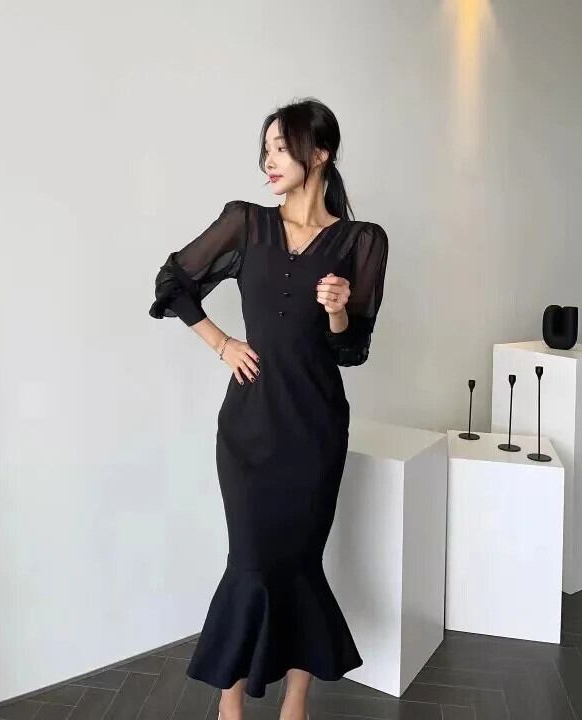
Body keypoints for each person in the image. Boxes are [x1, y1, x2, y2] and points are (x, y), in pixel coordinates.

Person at [149, 97, 389, 720]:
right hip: (249, 428)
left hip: (315, 428)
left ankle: (295, 704)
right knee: (249, 565)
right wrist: (222, 342)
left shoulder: (362, 241)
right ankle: (229, 703)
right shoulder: (245, 223)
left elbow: (352, 350)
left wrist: (338, 310)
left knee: (300, 565)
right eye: (266, 150)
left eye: (281, 148)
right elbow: (173, 281)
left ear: (320, 154)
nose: (269, 162)